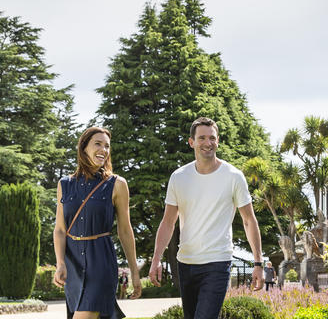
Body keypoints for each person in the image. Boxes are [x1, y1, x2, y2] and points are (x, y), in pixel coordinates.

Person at [149, 117, 264, 319]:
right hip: (186, 263)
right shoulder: (178, 177)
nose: (207, 143)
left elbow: (248, 220)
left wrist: (258, 263)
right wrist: (156, 259)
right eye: (202, 138)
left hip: (217, 262)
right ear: (191, 142)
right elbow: (168, 222)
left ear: (217, 141)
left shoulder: (233, 176)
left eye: (212, 138)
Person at [53, 127, 142, 319]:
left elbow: (125, 231)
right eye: (98, 144)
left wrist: (134, 271)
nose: (104, 149)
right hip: (72, 264)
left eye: (107, 146)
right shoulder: (64, 184)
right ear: (84, 147)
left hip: (100, 261)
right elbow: (60, 229)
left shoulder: (117, 184)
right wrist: (60, 263)